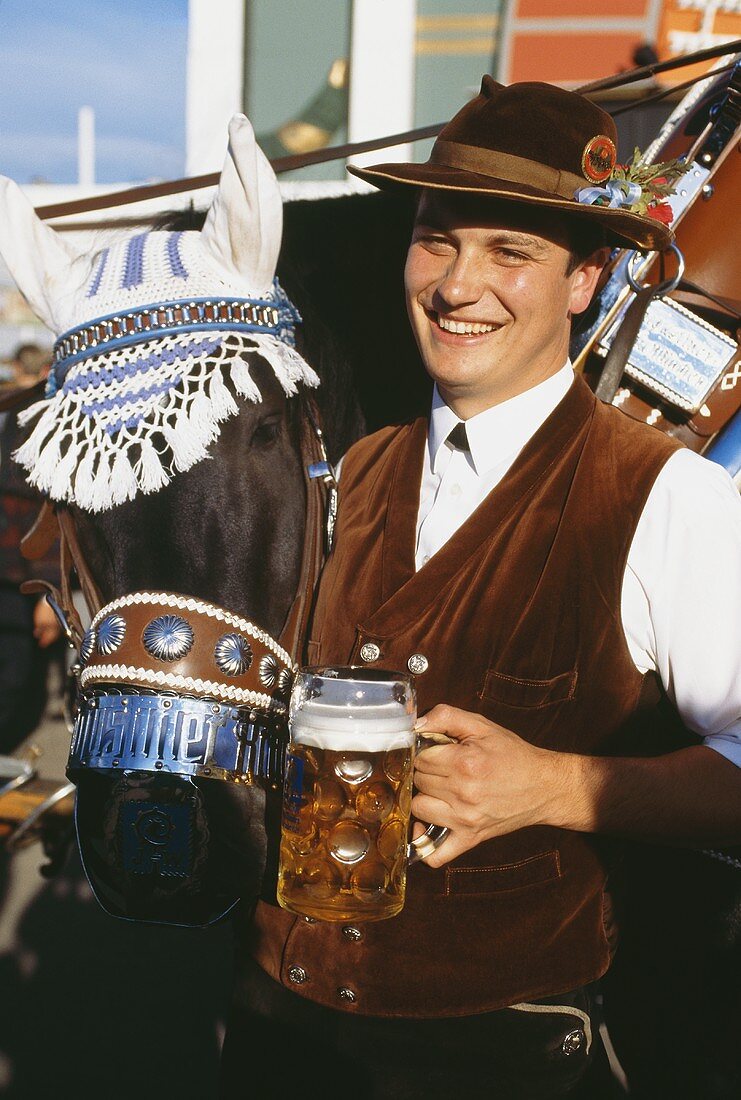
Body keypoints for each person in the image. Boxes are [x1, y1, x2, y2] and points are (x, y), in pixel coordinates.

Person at [218, 78, 741, 1098]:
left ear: (589, 276)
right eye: (437, 237)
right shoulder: (355, 469)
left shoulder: (666, 495)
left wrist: (560, 784)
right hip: (279, 1021)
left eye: (511, 251)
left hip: (505, 1047)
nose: (460, 284)